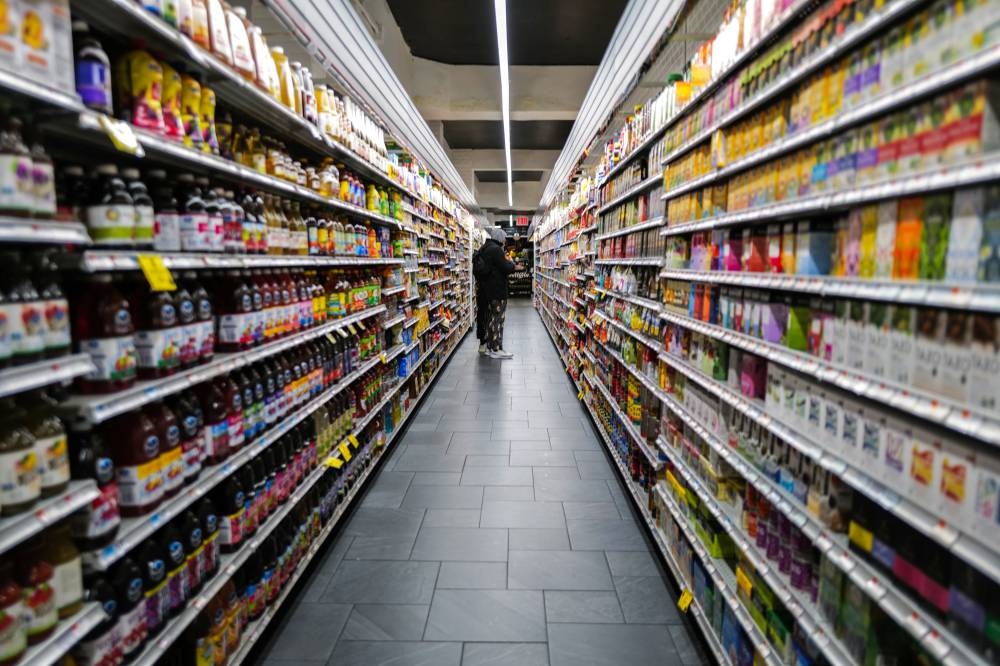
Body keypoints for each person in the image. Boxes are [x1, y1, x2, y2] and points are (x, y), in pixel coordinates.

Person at [477, 226, 515, 359]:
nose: (505, 241)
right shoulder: (496, 250)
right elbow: (506, 267)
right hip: (497, 291)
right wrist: (512, 263)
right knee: (498, 319)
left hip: (487, 291)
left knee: (490, 318)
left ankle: (489, 346)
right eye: (504, 239)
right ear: (500, 238)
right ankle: (496, 348)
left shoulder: (484, 248)